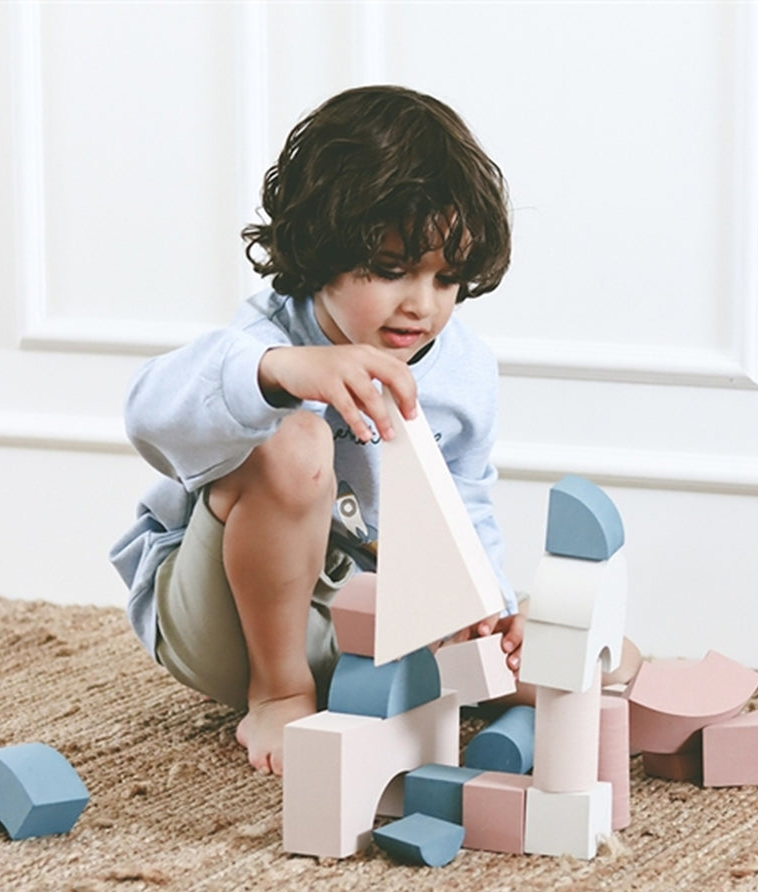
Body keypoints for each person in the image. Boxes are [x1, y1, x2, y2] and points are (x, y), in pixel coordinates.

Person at [110, 85, 525, 776]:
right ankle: (279, 694)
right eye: (390, 271)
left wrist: (489, 613)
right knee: (296, 443)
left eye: (446, 279)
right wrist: (280, 373)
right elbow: (146, 410)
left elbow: (467, 504)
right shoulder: (265, 336)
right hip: (228, 623)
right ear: (322, 249)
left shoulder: (466, 369)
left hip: (367, 622)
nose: (421, 304)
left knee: (562, 653)